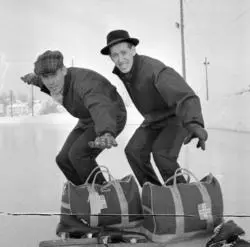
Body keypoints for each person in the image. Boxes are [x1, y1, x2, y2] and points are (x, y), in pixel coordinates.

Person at [100, 30, 208, 187]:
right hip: (154, 119)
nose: (120, 59)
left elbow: (184, 94)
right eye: (115, 55)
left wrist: (194, 122)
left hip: (175, 116)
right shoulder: (127, 72)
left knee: (162, 154)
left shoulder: (153, 70)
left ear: (133, 50)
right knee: (134, 151)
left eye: (123, 52)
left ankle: (183, 196)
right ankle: (155, 193)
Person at [21, 50, 127, 186]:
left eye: (53, 75)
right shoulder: (53, 83)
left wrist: (105, 132)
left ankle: (104, 195)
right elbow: (42, 81)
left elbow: (100, 106)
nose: (50, 82)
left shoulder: (85, 84)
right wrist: (32, 78)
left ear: (63, 70)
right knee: (63, 159)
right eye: (45, 77)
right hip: (87, 118)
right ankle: (84, 194)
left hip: (111, 115)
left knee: (79, 154)